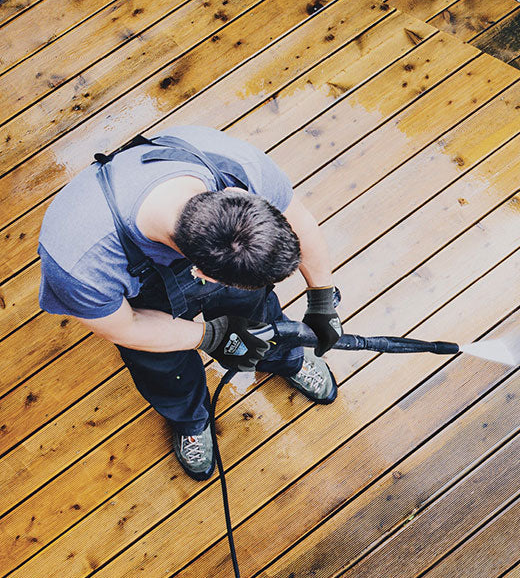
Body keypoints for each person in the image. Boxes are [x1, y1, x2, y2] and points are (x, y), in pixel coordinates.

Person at [37, 125, 343, 481]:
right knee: (164, 366)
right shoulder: (79, 262)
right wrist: (211, 335)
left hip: (207, 267)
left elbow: (300, 222)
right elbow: (126, 327)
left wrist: (322, 299)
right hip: (140, 307)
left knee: (258, 312)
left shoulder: (238, 167)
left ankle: (286, 358)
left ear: (237, 195)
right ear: (204, 274)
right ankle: (191, 418)